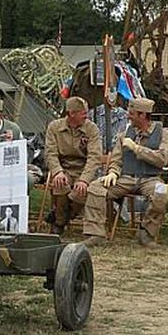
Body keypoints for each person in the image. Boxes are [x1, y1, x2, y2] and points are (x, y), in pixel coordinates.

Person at [82, 97, 168, 247]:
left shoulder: (164, 134)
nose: (128, 116)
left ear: (142, 115)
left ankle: (146, 234)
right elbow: (116, 160)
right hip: (126, 178)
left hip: (150, 179)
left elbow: (161, 159)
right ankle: (96, 234)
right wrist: (112, 172)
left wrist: (136, 148)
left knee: (161, 193)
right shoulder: (124, 134)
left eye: (132, 113)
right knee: (95, 187)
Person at [43, 96, 103, 235]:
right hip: (63, 168)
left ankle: (59, 217)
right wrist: (57, 172)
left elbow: (94, 157)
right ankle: (59, 224)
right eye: (83, 113)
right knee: (60, 184)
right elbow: (50, 153)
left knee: (81, 191)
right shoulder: (55, 127)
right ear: (71, 114)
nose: (86, 116)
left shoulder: (91, 128)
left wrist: (84, 179)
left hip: (83, 169)